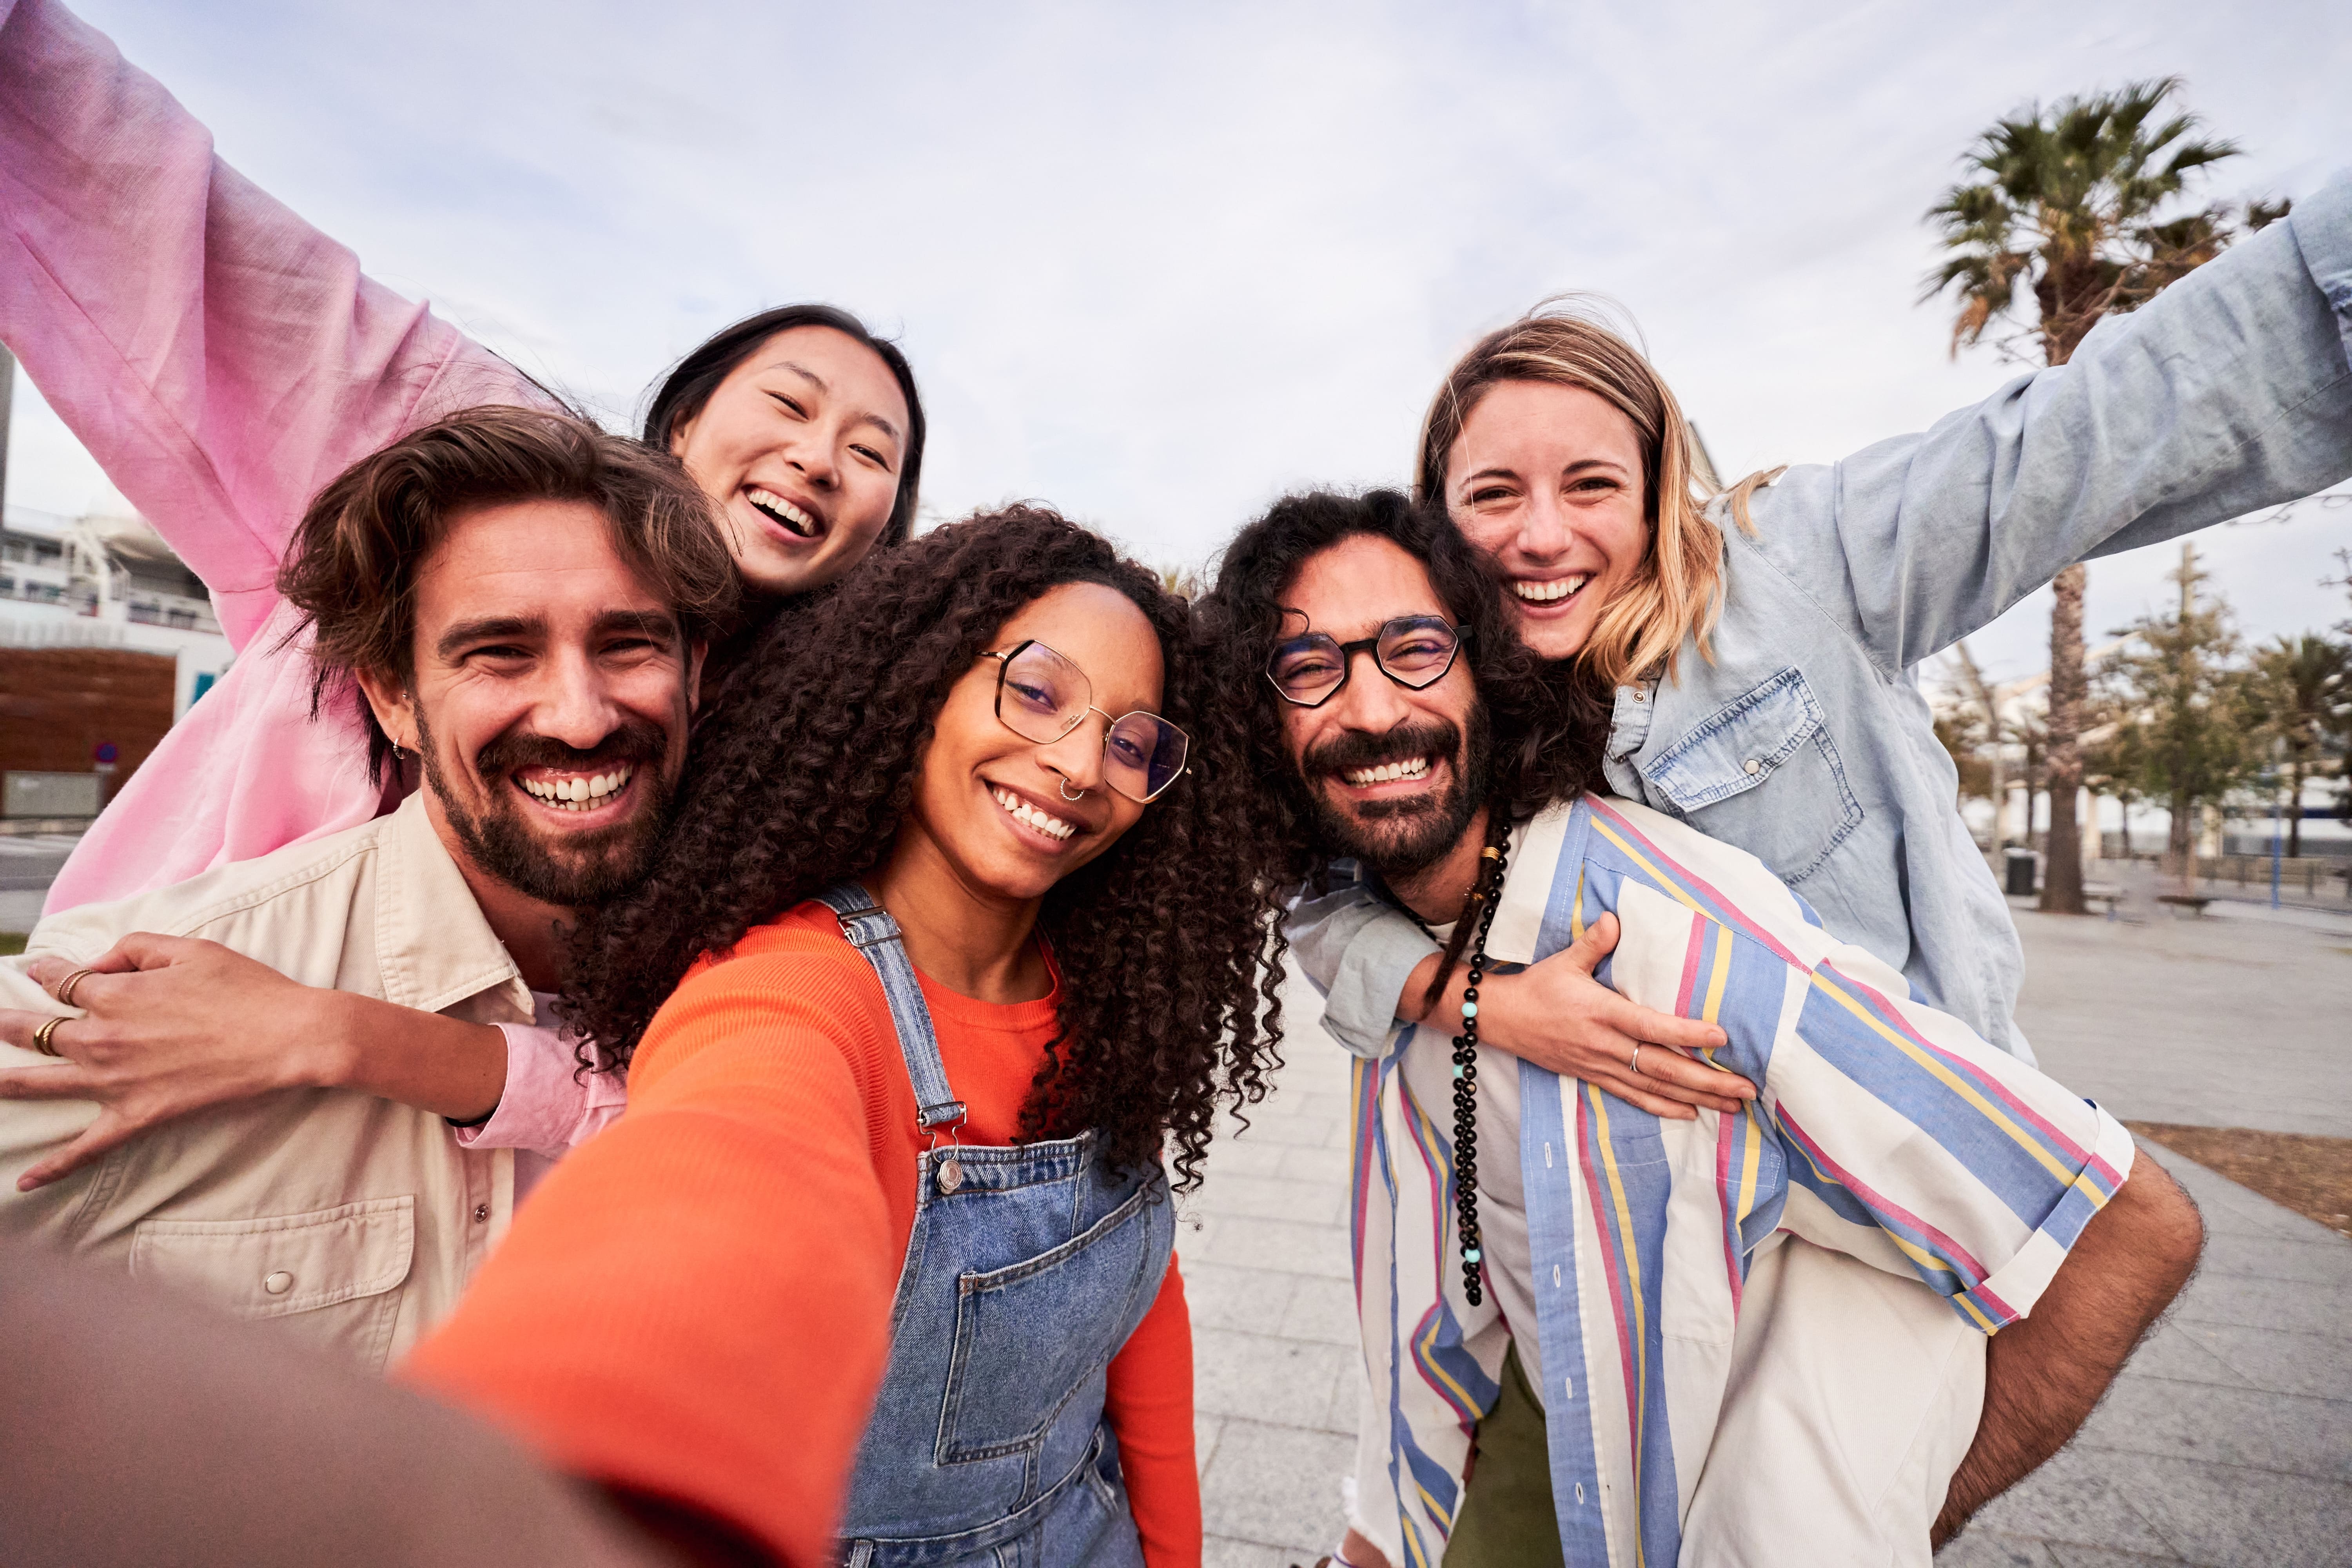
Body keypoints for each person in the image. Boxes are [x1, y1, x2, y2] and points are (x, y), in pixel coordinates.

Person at [1200, 490, 2203, 1567]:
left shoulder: (1681, 946)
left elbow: (2128, 1227)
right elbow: (1438, 1286)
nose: (1370, 706)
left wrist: (1905, 1518)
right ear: (1261, 728)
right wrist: (1377, 1540)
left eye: (1415, 646)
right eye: (1308, 670)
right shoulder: (1391, 953)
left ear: (1486, 668)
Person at [0, 0, 925, 1164]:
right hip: (142, 1043)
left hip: (472, 1196)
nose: (819, 455)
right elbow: (169, 231)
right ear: (685, 416)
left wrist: (345, 1036)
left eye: (874, 453)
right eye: (790, 403)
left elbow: (712, 1077)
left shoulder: (826, 758)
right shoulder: (461, 455)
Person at [377, 504, 1283, 1565]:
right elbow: (724, 1167)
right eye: (1037, 693)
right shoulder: (792, 990)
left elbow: (1135, 1324)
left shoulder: (1105, 1005)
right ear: (923, 681)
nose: (1082, 766)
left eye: (1134, 742)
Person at [1298, 178, 2352, 1087]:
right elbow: (1317, 894)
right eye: (1492, 495)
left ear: (1657, 488)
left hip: (1909, 1188)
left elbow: (2090, 434)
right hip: (1655, 1240)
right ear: (1434, 513)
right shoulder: (1419, 683)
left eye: (1591, 485)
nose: (1540, 536)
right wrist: (1476, 1002)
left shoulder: (1807, 560)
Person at [0, 407, 735, 1363]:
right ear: (391, 696)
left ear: (695, 671)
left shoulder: (767, 973)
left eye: (628, 644)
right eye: (500, 651)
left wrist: (342, 1038)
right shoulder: (154, 1000)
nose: (581, 716)